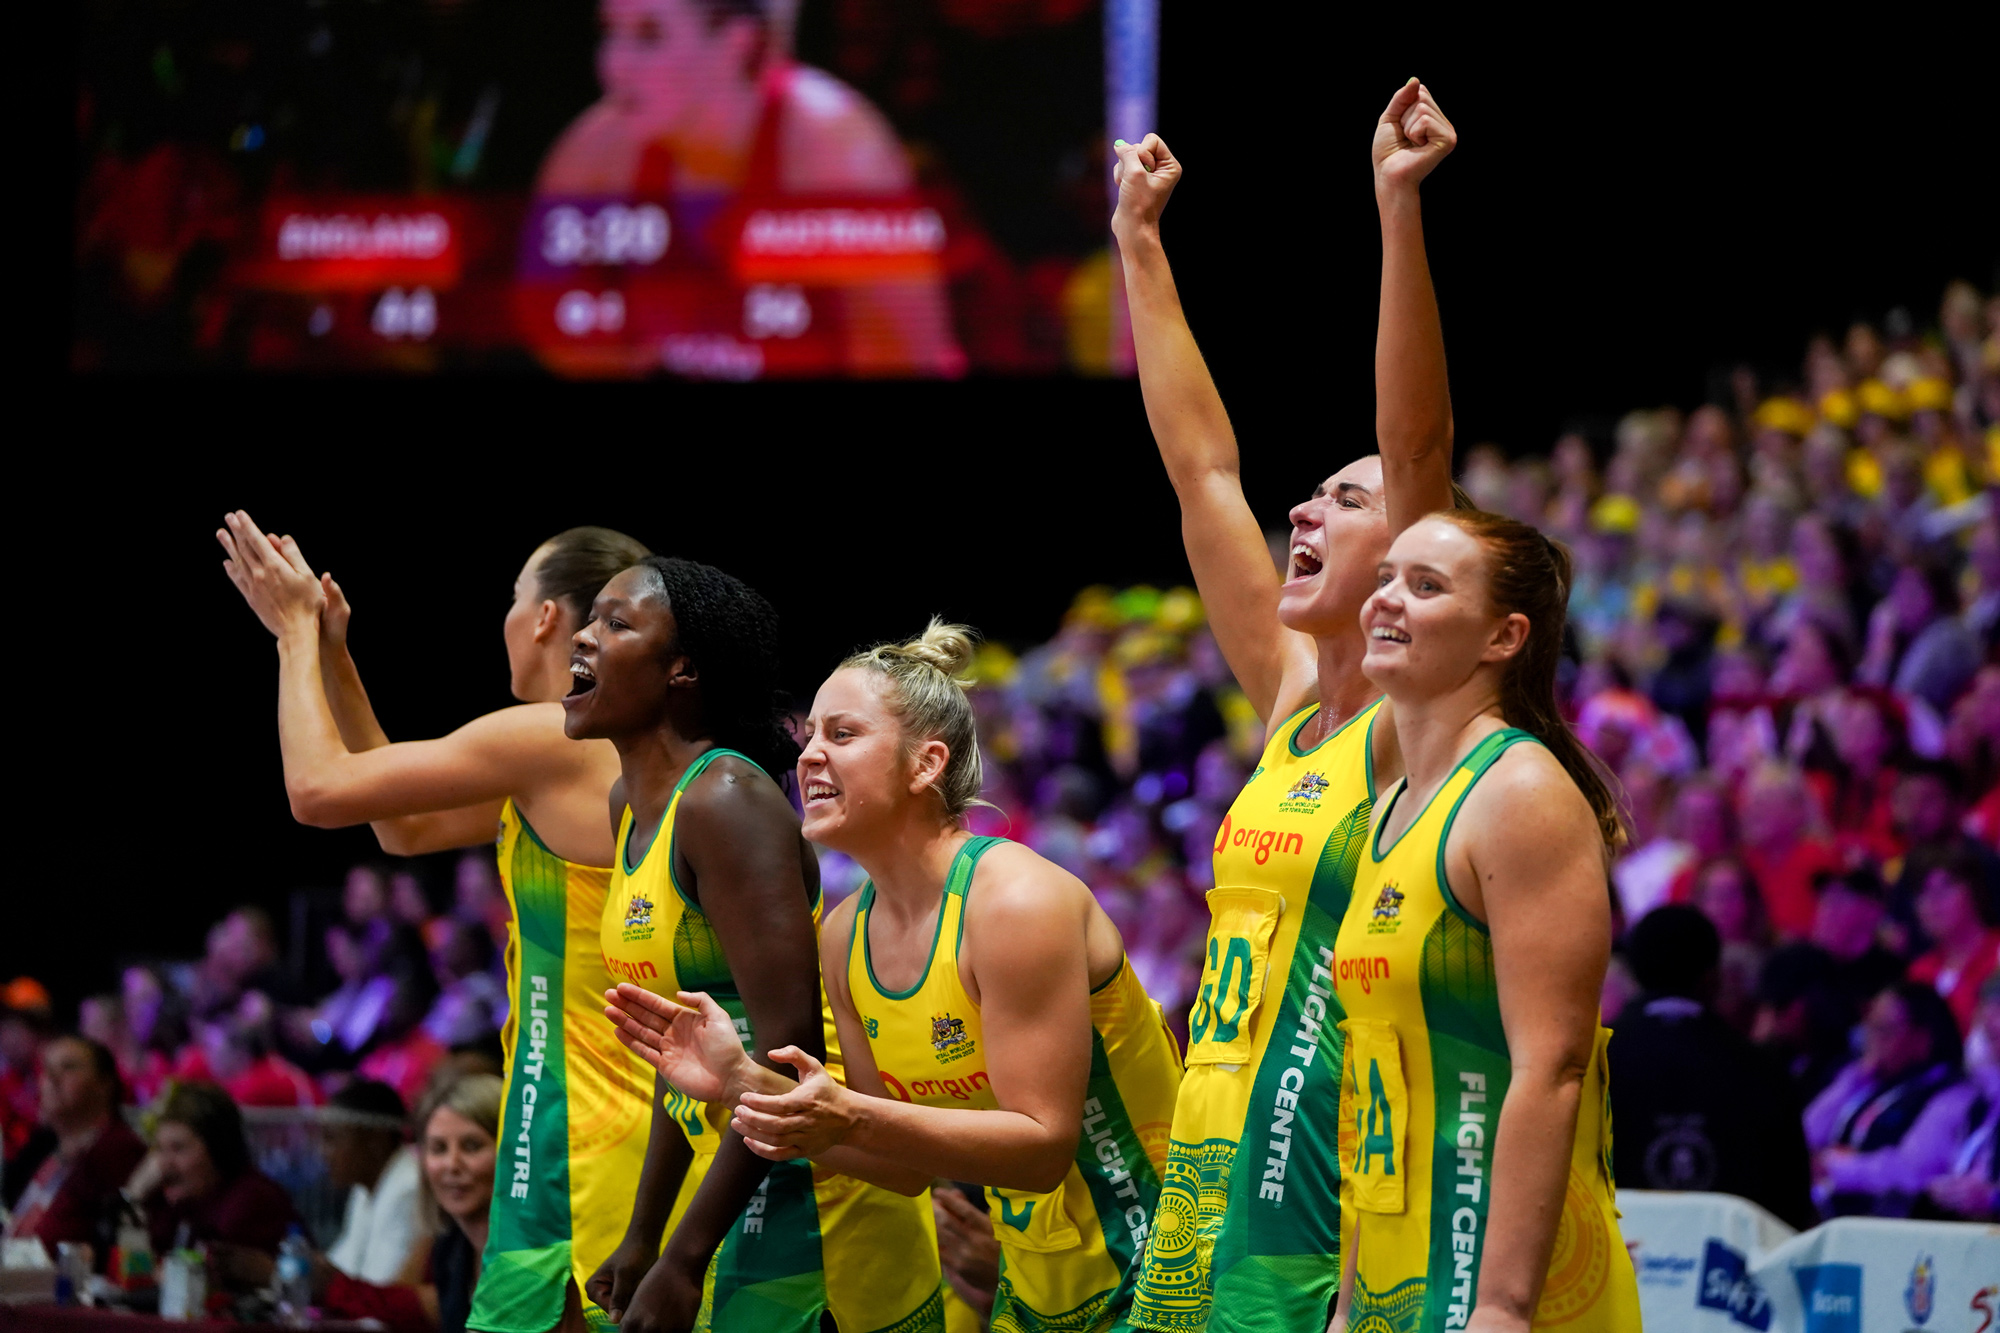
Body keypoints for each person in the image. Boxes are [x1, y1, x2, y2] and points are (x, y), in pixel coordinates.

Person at [1106, 77, 1461, 1331]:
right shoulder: (1289, 695)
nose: (1303, 513)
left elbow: (1415, 451)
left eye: (1342, 501)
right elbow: (1201, 466)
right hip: (1206, 1172)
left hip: (1323, 1187)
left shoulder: (1411, 724)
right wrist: (1138, 247)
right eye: (1307, 497)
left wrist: (1395, 208)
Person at [606, 621, 1185, 1330]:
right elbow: (900, 1163)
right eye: (811, 733)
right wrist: (744, 1086)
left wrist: (844, 1112)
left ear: (925, 763)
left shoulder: (1013, 901)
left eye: (843, 734)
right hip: (1037, 1293)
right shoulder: (845, 936)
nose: (809, 753)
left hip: (1162, 1275)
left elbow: (1041, 1147)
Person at [217, 514, 661, 1332]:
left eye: (512, 595)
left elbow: (317, 792)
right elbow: (404, 828)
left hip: (592, 1126)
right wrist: (333, 655)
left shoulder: (557, 734)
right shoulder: (594, 751)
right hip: (569, 1114)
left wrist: (289, 636)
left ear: (544, 619)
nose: (506, 617)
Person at [564, 557, 940, 1333]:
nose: (583, 636)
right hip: (728, 1178)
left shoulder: (724, 799)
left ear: (683, 669)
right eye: (590, 618)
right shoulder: (629, 807)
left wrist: (684, 1255)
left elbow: (788, 1047)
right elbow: (683, 1049)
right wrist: (647, 1233)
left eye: (615, 622)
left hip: (818, 1200)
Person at [1338, 508, 1639, 1329]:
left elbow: (1555, 1067)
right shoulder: (1392, 803)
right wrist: (1348, 1298)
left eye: (1425, 586)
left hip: (1497, 1280)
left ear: (1503, 637)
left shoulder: (1520, 793)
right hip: (1393, 1279)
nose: (1386, 601)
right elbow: (1379, 1087)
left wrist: (1501, 1307)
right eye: (1385, 579)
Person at [529, 0, 960, 378]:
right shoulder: (596, 151)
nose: (613, 63)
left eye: (648, 35)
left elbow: (906, 355)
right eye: (609, 31)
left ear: (736, 43)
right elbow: (552, 329)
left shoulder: (833, 151)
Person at [222, 1074, 507, 1333]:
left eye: (472, 1146)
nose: (451, 1165)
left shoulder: (532, 1250)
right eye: (438, 1148)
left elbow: (398, 1302)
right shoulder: (450, 1245)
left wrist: (325, 1284)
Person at [1606, 908, 1815, 1228]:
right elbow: (1790, 1204)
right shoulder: (1760, 1068)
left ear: (1632, 971)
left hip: (1612, 1262)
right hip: (1729, 1265)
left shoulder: (1591, 1062)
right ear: (1712, 976)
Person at [1805, 981, 1965, 1216]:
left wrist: (1833, 1168)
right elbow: (1805, 1132)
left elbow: (1912, 1170)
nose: (1872, 1039)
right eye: (1870, 1027)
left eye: (1884, 1030)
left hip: (1889, 1224)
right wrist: (1853, 1080)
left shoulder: (1952, 1094)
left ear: (1922, 1038)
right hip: (1833, 1212)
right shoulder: (1866, 1080)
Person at [0, 1036, 147, 1257]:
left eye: (68, 1067)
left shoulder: (117, 1150)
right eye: (46, 1068)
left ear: (104, 1085)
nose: (51, 1078)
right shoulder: (46, 1147)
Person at [131, 1081, 303, 1254]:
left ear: (218, 1149)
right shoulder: (186, 1201)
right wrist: (135, 1195)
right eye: (160, 1149)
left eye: (178, 1148)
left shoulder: (249, 1202)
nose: (163, 1164)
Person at [324, 1079, 423, 1285]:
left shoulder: (408, 1189)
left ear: (376, 1142)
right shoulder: (365, 1186)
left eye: (334, 1139)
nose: (325, 1153)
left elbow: (381, 1287)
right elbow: (344, 1263)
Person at [1907, 850, 2000, 1034]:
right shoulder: (1919, 974)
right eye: (1923, 892)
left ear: (1975, 891)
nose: (1933, 902)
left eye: (1945, 887)